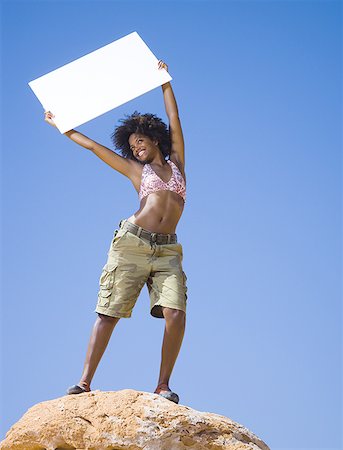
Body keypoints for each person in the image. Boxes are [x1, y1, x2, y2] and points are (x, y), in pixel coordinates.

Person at [44, 60, 187, 404]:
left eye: (141, 142)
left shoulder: (178, 163)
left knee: (176, 312)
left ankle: (163, 386)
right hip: (132, 244)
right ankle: (84, 381)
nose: (136, 148)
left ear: (154, 139)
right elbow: (96, 147)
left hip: (167, 251)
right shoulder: (136, 171)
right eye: (132, 145)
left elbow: (176, 122)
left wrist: (164, 82)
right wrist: (61, 125)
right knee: (109, 313)